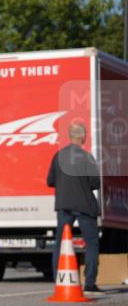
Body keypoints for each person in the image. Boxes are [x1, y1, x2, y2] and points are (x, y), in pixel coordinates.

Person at [46, 122, 102, 295]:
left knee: (60, 244)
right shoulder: (87, 157)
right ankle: (90, 283)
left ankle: (59, 281)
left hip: (64, 206)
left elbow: (50, 181)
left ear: (70, 136)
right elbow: (95, 184)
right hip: (85, 206)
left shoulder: (58, 156)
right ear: (83, 137)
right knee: (91, 244)